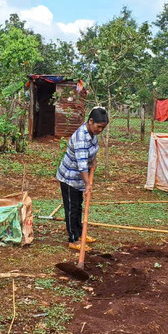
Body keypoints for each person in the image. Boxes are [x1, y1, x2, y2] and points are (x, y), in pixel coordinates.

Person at [56, 107, 109, 250]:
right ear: (90, 121)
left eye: (103, 128)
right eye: (99, 127)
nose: (100, 130)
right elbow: (81, 165)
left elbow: (91, 152)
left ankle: (80, 234)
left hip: (79, 177)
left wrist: (93, 161)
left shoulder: (92, 133)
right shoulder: (81, 138)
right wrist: (88, 184)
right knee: (71, 208)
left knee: (78, 206)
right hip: (69, 178)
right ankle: (73, 240)